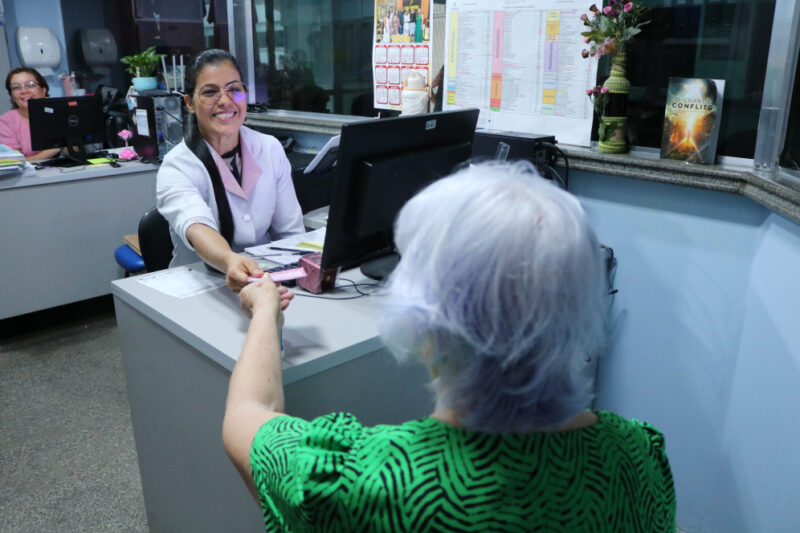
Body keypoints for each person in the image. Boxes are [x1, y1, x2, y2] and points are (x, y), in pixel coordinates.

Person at [223, 163, 677, 531]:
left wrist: (265, 310)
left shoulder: (357, 484)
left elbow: (247, 414)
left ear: (425, 323)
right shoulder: (639, 459)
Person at [157, 49, 304, 291]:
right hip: (202, 284)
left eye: (234, 89)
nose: (225, 101)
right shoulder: (177, 166)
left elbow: (290, 233)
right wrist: (230, 260)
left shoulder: (269, 148)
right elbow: (197, 224)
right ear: (189, 103)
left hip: (266, 279)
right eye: (210, 92)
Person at [0, 67, 62, 161]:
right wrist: (54, 149)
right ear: (12, 96)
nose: (24, 91)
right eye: (16, 87)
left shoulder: (59, 114)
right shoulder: (5, 122)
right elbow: (15, 161)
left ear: (43, 91)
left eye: (30, 85)